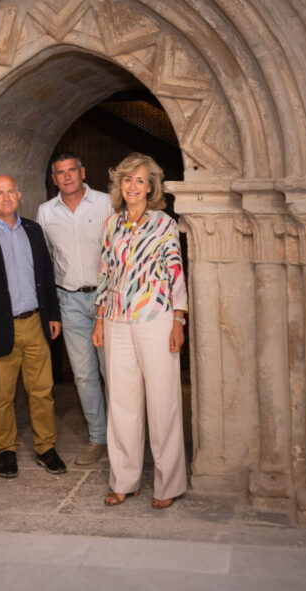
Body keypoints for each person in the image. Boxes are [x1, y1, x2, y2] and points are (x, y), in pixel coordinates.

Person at [91, 153, 188, 509]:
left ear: (151, 188)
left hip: (156, 318)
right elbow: (104, 274)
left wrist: (178, 320)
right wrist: (99, 319)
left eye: (140, 180)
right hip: (116, 319)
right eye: (127, 179)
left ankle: (168, 484)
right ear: (120, 184)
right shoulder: (111, 224)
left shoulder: (163, 223)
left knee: (163, 402)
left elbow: (175, 273)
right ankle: (124, 480)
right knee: (122, 403)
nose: (133, 186)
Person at [0, 174, 67, 478]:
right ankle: (6, 450)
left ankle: (46, 448)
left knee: (42, 391)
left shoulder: (33, 230)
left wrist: (53, 314)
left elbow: (46, 276)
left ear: (19, 195)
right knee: (1, 396)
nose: (6, 198)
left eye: (11, 192)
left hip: (35, 324)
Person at [37, 152, 113, 466]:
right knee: (84, 376)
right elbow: (44, 261)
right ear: (54, 179)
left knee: (113, 372)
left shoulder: (107, 203)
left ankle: (124, 438)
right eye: (60, 173)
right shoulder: (45, 212)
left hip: (106, 301)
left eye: (72, 170)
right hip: (68, 300)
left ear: (82, 172)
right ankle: (98, 439)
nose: (67, 177)